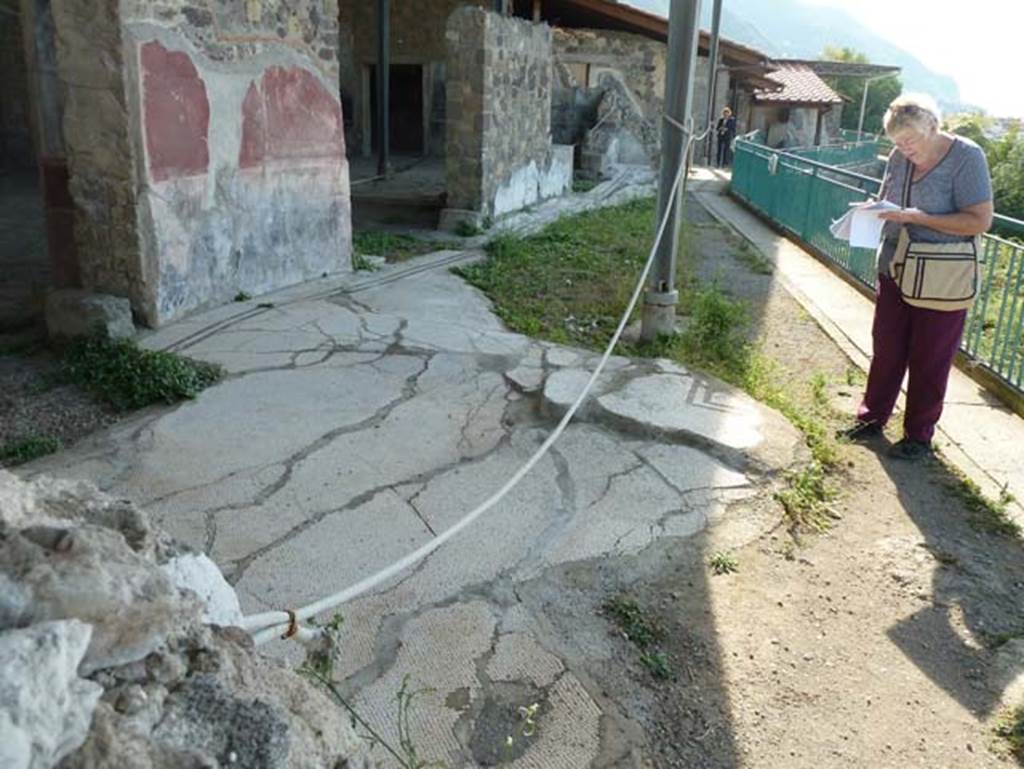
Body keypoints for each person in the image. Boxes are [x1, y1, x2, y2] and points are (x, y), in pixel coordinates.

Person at [839, 94, 993, 459]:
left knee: (931, 356)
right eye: (897, 143)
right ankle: (872, 418)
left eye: (911, 141)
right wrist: (873, 209)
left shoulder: (966, 157)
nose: (904, 149)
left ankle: (918, 437)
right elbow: (889, 197)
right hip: (895, 265)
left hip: (942, 273)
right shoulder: (898, 156)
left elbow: (979, 221)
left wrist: (917, 217)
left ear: (933, 127)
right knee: (887, 349)